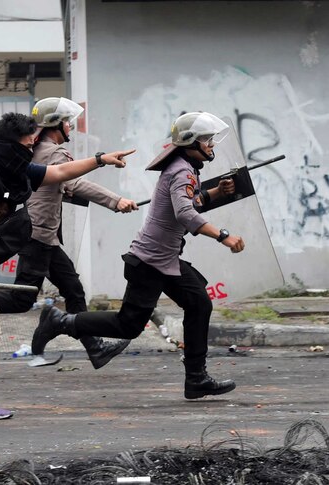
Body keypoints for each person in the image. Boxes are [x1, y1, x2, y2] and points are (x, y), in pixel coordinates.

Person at [0, 112, 134, 419]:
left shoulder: (17, 170)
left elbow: (61, 171)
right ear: (10, 144)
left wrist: (101, 159)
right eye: (27, 143)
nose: (31, 148)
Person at [32, 112, 244, 400]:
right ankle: (61, 322)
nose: (211, 145)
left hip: (165, 259)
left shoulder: (186, 167)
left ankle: (196, 378)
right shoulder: (181, 170)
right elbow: (185, 212)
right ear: (191, 142)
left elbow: (189, 201)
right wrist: (223, 236)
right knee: (128, 324)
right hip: (151, 261)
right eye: (207, 140)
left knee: (199, 304)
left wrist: (218, 191)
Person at [0, 97, 136, 368]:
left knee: (73, 290)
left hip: (43, 236)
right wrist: (116, 200)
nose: (70, 126)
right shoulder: (55, 153)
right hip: (38, 236)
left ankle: (95, 348)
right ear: (57, 125)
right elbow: (75, 184)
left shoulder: (35, 149)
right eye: (67, 122)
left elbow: (63, 187)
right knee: (22, 298)